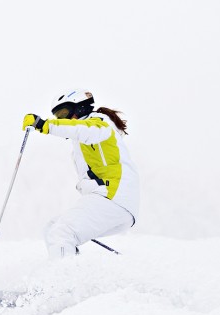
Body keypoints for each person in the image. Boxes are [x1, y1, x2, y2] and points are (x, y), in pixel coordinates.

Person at [22, 89, 140, 258]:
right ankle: (74, 274)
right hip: (112, 201)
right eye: (58, 117)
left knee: (62, 232)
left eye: (64, 113)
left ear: (80, 107)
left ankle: (63, 281)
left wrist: (44, 124)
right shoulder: (82, 140)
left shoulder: (99, 123)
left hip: (113, 197)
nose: (62, 120)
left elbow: (81, 129)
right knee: (52, 228)